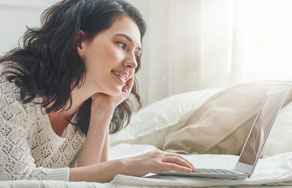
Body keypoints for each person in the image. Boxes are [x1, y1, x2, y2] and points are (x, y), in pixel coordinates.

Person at [0, 0, 196, 182]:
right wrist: (124, 166)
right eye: (122, 44)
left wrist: (103, 110)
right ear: (80, 42)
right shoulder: (9, 88)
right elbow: (16, 178)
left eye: (137, 54)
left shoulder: (87, 110)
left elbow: (89, 181)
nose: (133, 63)